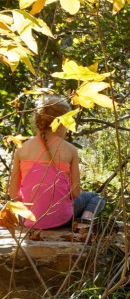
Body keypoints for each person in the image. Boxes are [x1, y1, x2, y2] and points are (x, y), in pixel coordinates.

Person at [8, 96, 105, 229]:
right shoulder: (70, 150)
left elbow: (13, 194)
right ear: (63, 122)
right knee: (96, 197)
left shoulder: (22, 149)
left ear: (37, 120)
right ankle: (86, 219)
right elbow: (75, 193)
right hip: (62, 219)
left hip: (28, 220)